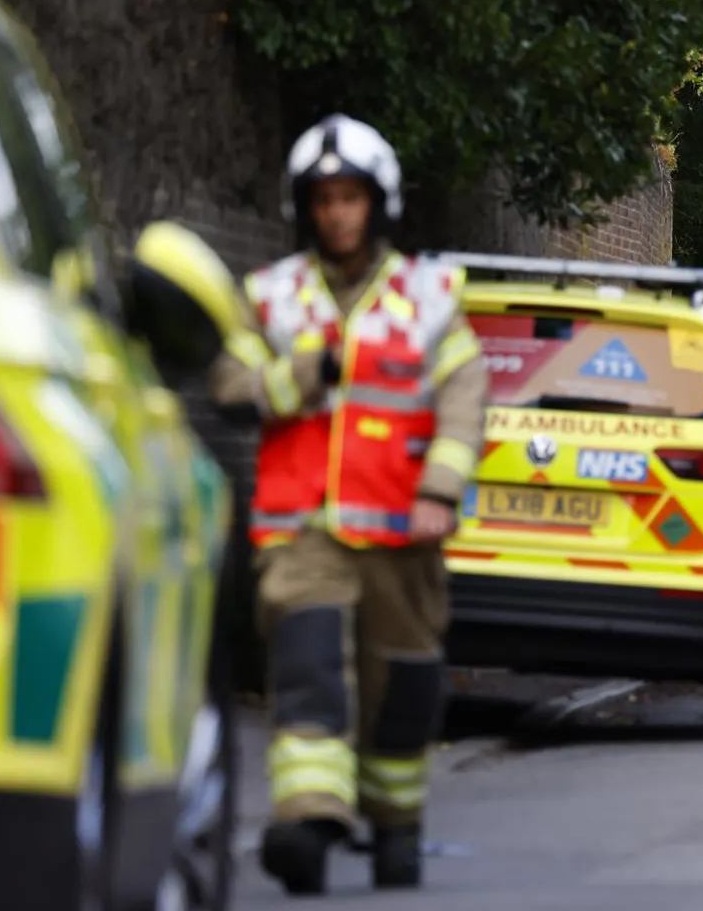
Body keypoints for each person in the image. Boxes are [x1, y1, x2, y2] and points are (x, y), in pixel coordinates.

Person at [209, 114, 487, 895]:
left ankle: (396, 825)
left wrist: (440, 488)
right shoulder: (271, 297)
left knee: (403, 688)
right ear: (305, 207)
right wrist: (303, 372)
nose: (336, 212)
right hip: (303, 532)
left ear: (378, 204)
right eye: (322, 198)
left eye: (350, 198)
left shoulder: (429, 299)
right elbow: (230, 385)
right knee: (307, 668)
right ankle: (307, 818)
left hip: (404, 528)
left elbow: (464, 396)